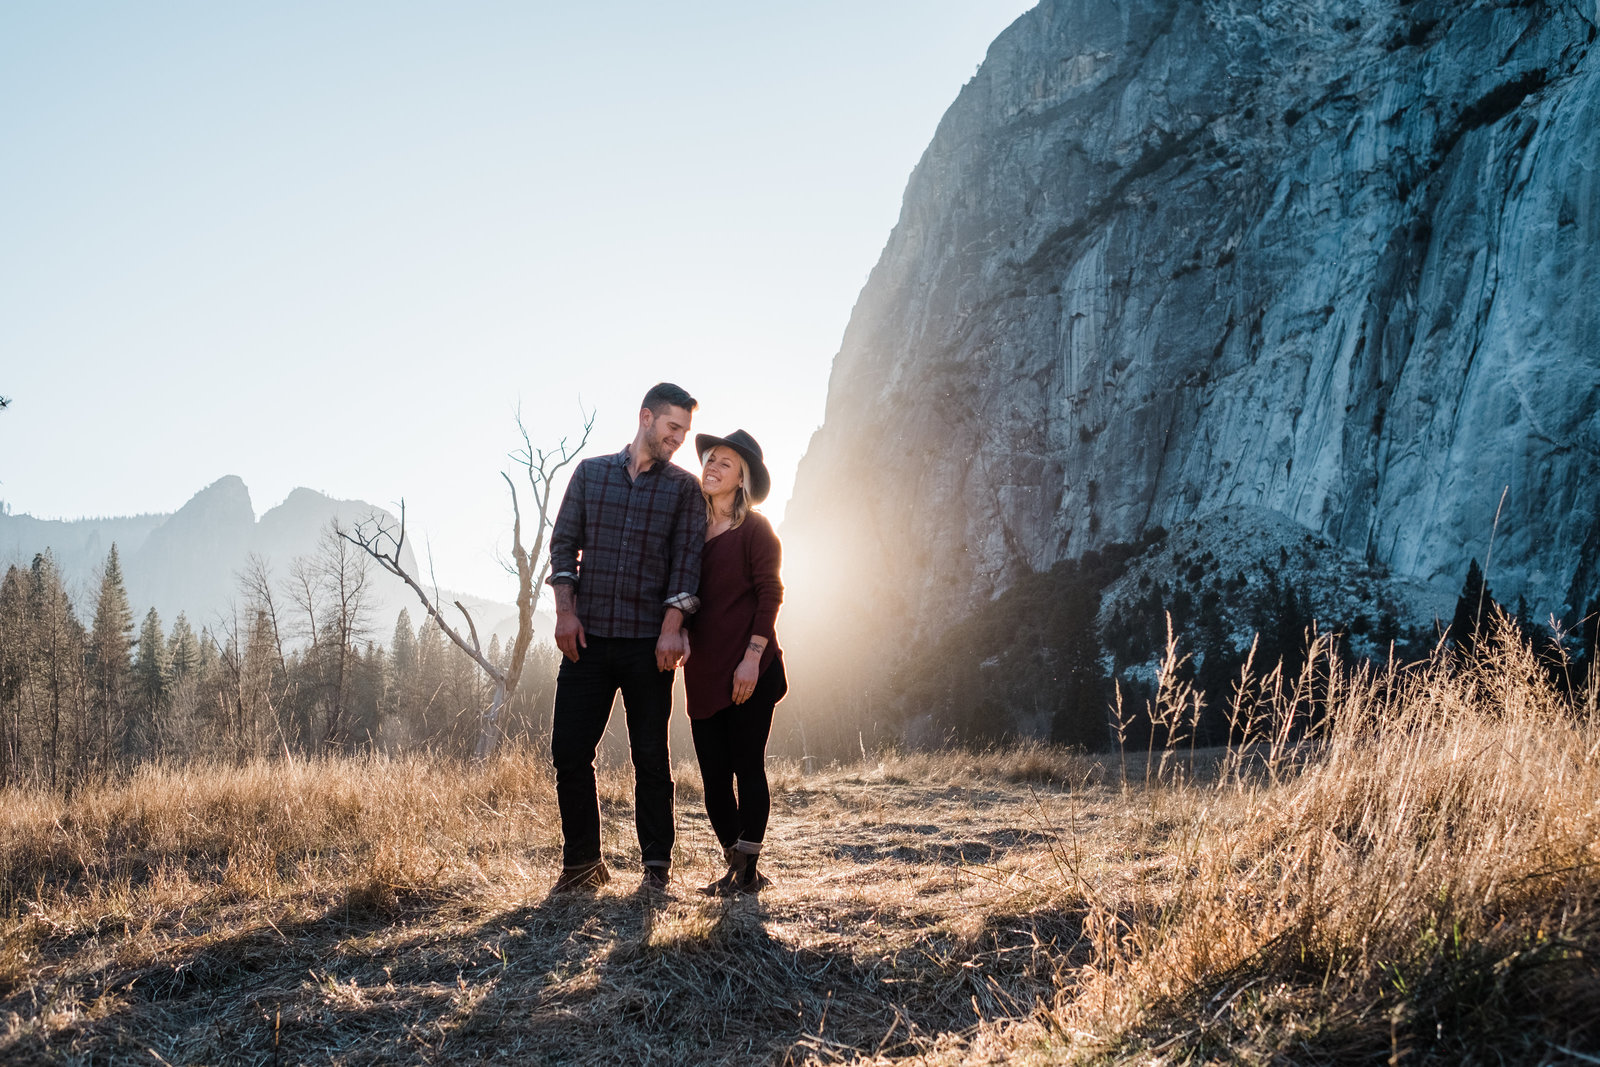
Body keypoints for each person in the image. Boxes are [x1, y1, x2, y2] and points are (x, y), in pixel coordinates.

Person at [547, 383, 706, 893]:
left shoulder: (683, 489)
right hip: (586, 641)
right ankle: (582, 865)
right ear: (646, 418)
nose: (679, 438)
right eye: (672, 427)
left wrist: (671, 630)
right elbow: (564, 546)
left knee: (651, 758)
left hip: (647, 646)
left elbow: (687, 562)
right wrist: (565, 615)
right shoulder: (591, 475)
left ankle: (656, 868)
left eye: (684, 430)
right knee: (569, 751)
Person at [684, 428, 787, 895]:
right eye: (709, 459)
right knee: (713, 779)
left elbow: (771, 594)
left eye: (726, 462)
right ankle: (739, 865)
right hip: (704, 673)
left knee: (747, 766)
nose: (712, 466)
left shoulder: (755, 529)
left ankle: (745, 874)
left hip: (751, 671)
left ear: (742, 478)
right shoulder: (690, 535)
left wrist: (751, 658)